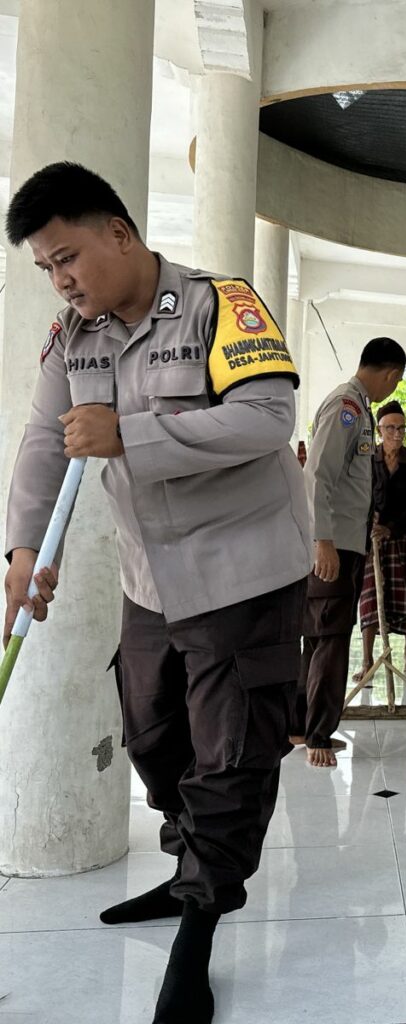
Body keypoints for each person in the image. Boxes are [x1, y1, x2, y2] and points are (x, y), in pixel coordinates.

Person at [2, 163, 310, 1024]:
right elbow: (43, 439)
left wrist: (129, 433)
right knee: (152, 733)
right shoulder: (74, 339)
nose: (62, 281)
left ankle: (202, 922)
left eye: (67, 257)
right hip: (152, 578)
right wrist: (28, 545)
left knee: (231, 756)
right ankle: (189, 874)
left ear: (119, 234)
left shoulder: (222, 306)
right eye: (46, 270)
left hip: (243, 571)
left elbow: (266, 419)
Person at [294, 338, 406, 767]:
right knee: (330, 639)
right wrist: (322, 540)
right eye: (394, 382)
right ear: (391, 375)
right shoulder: (348, 407)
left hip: (344, 539)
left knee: (318, 637)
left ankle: (302, 726)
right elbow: (317, 474)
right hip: (333, 543)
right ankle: (319, 733)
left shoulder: (355, 406)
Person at [354, 400, 406, 680]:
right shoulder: (366, 458)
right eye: (391, 428)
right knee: (370, 596)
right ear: (379, 430)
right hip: (372, 537)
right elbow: (359, 493)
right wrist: (370, 520)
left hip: (402, 535)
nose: (397, 433)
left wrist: (392, 528)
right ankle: (367, 660)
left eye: (401, 428)